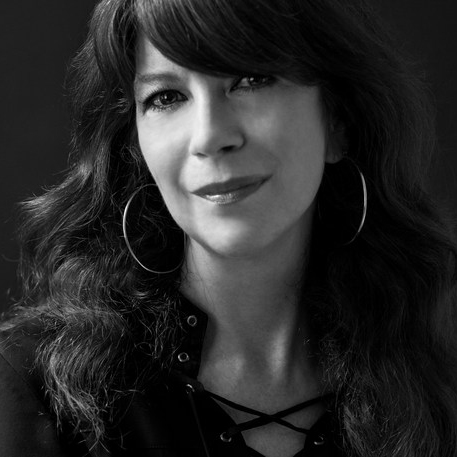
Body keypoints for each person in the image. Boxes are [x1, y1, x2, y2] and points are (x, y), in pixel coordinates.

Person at [1, 0, 456, 456]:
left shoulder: (439, 378)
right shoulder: (31, 389)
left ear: (338, 121)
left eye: (251, 80)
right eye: (166, 97)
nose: (209, 136)